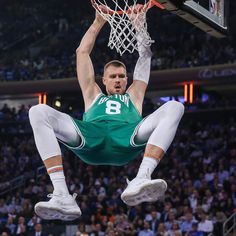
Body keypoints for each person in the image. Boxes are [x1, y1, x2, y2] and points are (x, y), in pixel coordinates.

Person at [29, 6, 184, 221]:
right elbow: (82, 53)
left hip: (127, 138)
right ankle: (62, 194)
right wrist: (98, 22)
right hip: (91, 136)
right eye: (113, 76)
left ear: (127, 79)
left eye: (122, 76)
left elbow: (145, 56)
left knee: (175, 107)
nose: (118, 79)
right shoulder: (92, 93)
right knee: (37, 112)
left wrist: (139, 25)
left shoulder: (134, 94)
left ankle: (142, 176)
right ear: (104, 80)